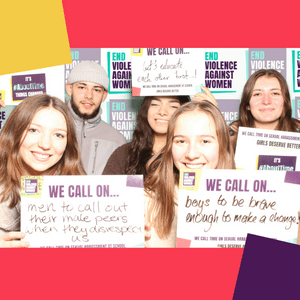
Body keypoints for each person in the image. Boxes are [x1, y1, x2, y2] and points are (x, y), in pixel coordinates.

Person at [143, 101, 236, 247]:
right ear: (170, 146)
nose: (191, 154)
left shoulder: (251, 202)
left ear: (222, 145)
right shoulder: (145, 201)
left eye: (205, 141)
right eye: (181, 141)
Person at [0, 94, 86, 247]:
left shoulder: (86, 195)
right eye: (33, 130)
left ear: (68, 143)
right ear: (15, 132)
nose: (45, 144)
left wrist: (134, 240)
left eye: (58, 135)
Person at [102, 95, 190, 177]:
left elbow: (195, 189)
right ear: (146, 109)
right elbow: (110, 190)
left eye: (173, 106)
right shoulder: (124, 154)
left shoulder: (191, 154)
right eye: (155, 104)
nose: (162, 112)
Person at [65, 60, 126, 174]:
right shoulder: (50, 130)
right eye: (82, 87)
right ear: (69, 89)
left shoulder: (117, 141)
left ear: (104, 95)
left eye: (96, 90)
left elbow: (127, 187)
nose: (89, 95)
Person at [229, 69, 300, 150]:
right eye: (257, 94)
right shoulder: (227, 141)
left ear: (285, 102)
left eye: (275, 93)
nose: (266, 101)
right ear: (247, 104)